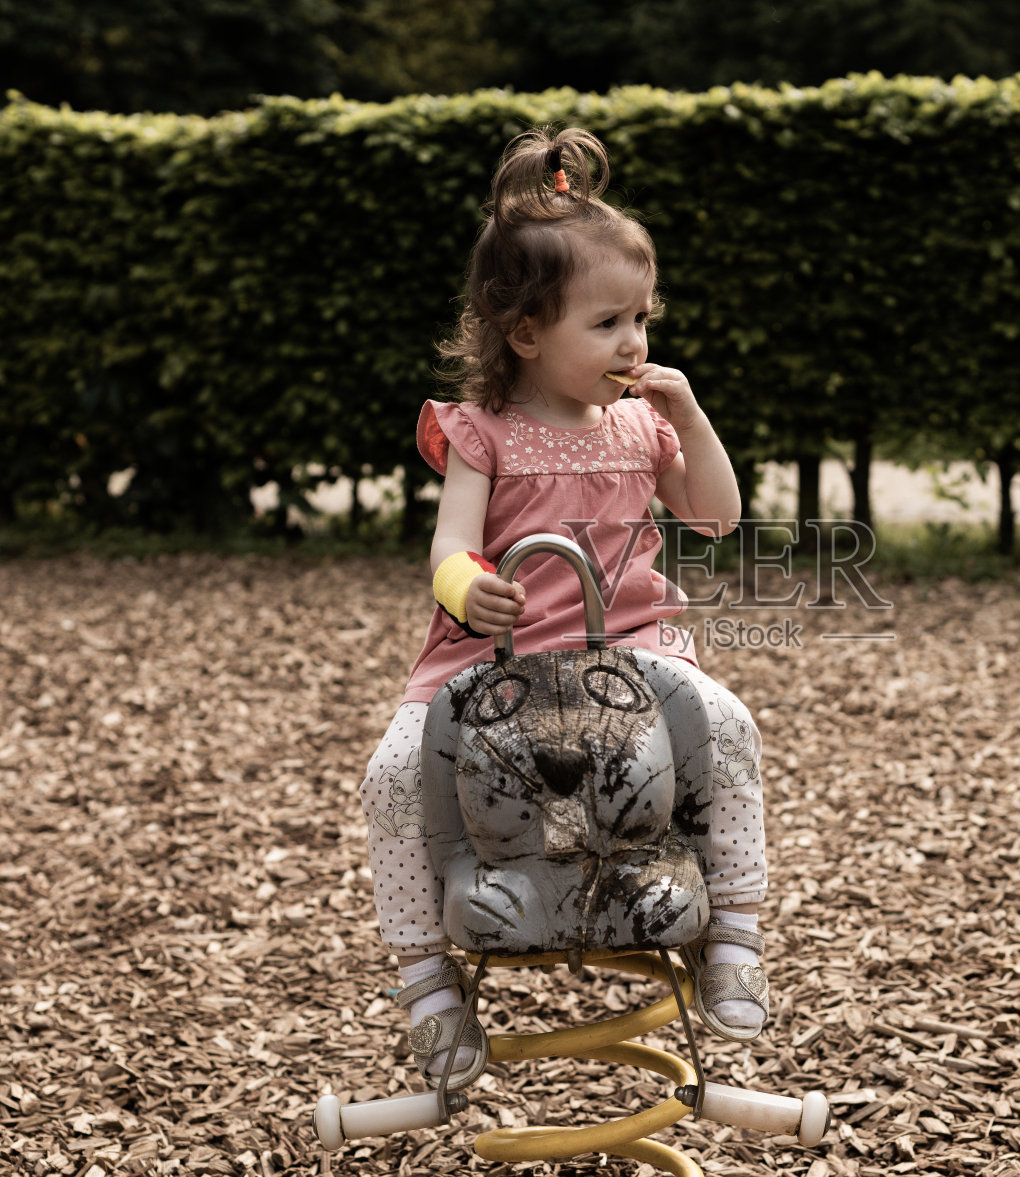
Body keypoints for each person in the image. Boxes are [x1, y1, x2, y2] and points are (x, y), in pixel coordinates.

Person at [358, 126, 770, 1089]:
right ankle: (426, 982)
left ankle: (736, 934)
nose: (634, 343)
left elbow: (715, 517)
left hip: (632, 649)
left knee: (732, 728)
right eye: (608, 323)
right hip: (491, 659)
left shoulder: (644, 421)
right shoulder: (483, 432)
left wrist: (692, 415)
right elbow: (447, 547)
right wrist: (470, 586)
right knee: (388, 778)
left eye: (642, 319)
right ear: (527, 333)